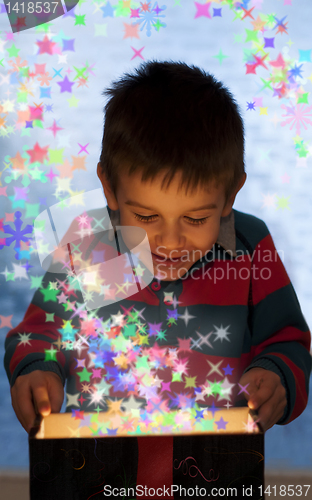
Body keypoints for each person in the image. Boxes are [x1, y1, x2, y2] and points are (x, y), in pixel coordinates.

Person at [4, 61, 311, 497]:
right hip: (99, 464)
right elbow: (38, 334)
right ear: (109, 189)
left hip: (216, 468)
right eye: (146, 216)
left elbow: (288, 342)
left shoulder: (251, 245)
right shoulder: (89, 247)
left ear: (232, 194)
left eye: (196, 217)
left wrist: (277, 375)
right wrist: (37, 370)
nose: (169, 241)